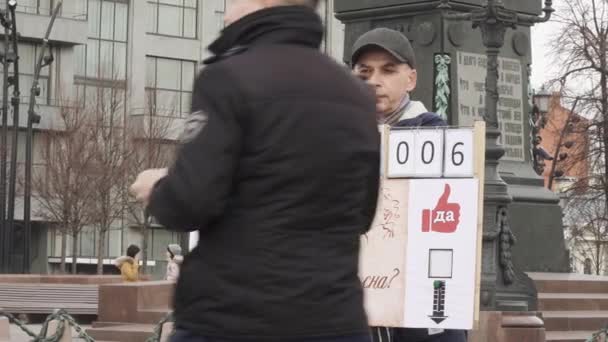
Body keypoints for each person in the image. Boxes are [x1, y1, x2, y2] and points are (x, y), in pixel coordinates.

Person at [129, 0, 380, 341]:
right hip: (336, 319)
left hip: (234, 317)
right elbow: (362, 214)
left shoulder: (227, 78)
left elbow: (189, 202)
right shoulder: (356, 95)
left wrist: (157, 187)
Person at [351, 28, 467, 342]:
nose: (375, 81)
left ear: (411, 79)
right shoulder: (336, 137)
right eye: (364, 72)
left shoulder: (435, 134)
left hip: (422, 304)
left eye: (388, 70)